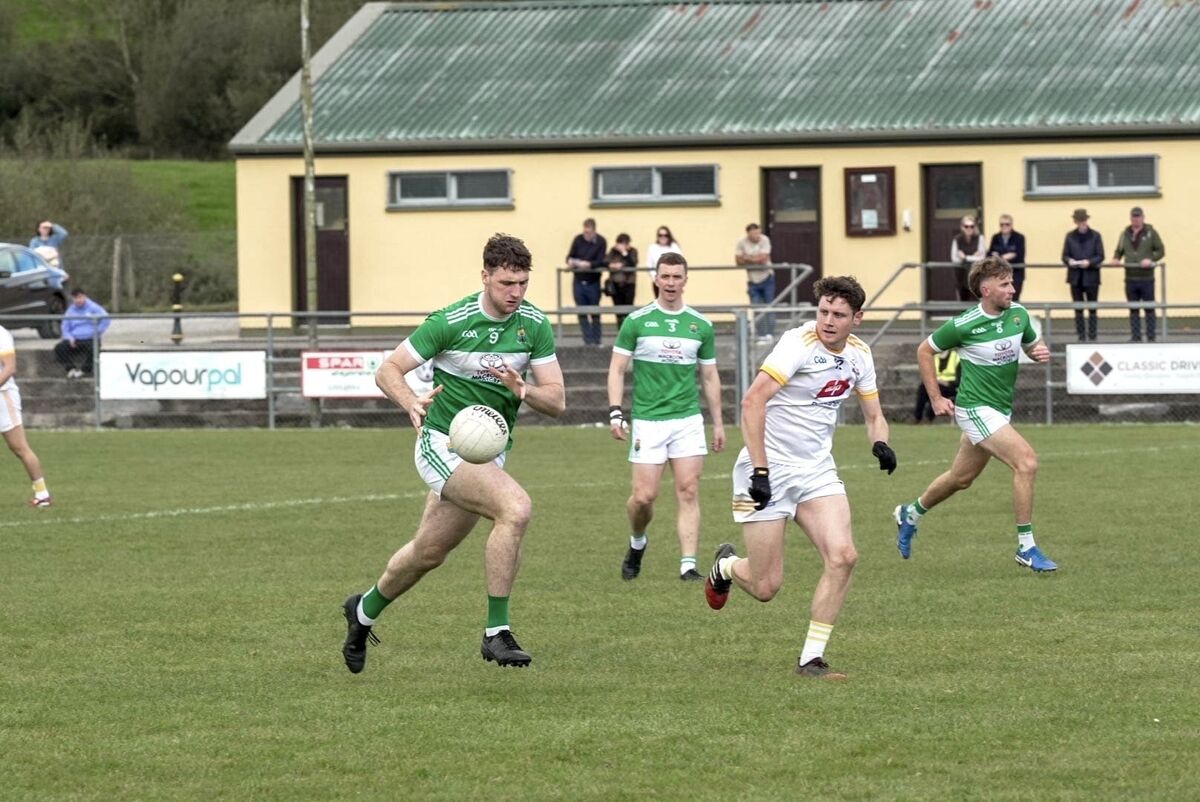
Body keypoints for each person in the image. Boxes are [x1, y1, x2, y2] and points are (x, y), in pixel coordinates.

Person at [341, 233, 566, 673]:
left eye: (523, 283)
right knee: (515, 508)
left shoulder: (534, 325)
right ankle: (496, 632)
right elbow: (388, 369)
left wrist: (523, 390)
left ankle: (362, 612)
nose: (516, 293)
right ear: (485, 276)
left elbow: (557, 401)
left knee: (428, 552)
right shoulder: (451, 321)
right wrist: (410, 401)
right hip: (441, 442)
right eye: (506, 283)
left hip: (487, 455)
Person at [705, 276, 897, 680]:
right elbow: (752, 402)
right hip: (763, 469)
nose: (828, 321)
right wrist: (760, 470)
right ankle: (725, 567)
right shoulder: (798, 343)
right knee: (765, 587)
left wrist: (880, 443)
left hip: (816, 471)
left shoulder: (860, 355)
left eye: (838, 315)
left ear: (857, 318)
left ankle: (811, 659)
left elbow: (874, 415)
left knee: (844, 556)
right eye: (823, 311)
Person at [893, 255, 1056, 573]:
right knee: (1026, 462)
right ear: (985, 290)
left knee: (961, 479)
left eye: (1012, 282)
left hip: (1000, 409)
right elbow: (924, 350)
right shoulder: (963, 325)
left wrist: (1037, 352)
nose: (1012, 289)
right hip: (975, 409)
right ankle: (1026, 547)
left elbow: (1032, 345)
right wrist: (936, 398)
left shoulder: (1019, 314)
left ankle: (909, 514)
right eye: (1005, 284)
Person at [608, 252, 726, 582]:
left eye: (677, 277)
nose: (671, 282)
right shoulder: (637, 322)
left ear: (685, 280)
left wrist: (718, 423)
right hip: (648, 421)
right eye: (666, 276)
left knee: (688, 490)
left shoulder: (700, 325)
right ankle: (638, 541)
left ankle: (688, 565)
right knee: (643, 497)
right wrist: (616, 412)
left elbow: (710, 376)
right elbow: (617, 369)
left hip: (687, 420)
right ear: (656, 278)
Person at [0, 324, 53, 507]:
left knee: (19, 447)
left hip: (3, 396)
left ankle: (42, 494)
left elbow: (9, 368)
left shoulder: (1, 334)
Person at [1111, 207, 1165, 342]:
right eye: (1134, 217)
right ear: (1130, 218)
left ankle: (1151, 337)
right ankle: (1136, 337)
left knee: (1149, 308)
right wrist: (1116, 258)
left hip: (1147, 278)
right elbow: (1119, 250)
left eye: (1138, 216)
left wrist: (1150, 259)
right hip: (1130, 277)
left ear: (1143, 218)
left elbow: (1160, 251)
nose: (1136, 219)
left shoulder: (1151, 233)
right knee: (1133, 308)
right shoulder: (1125, 234)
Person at [1062, 208, 1105, 342]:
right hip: (1075, 277)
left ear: (1086, 220)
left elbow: (1100, 255)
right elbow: (1064, 255)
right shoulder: (1070, 236)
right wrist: (1070, 261)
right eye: (1079, 220)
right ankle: (1081, 335)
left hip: (1091, 277)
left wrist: (1089, 262)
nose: (1081, 223)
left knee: (1092, 308)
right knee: (1078, 308)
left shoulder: (1095, 236)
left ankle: (1092, 335)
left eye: (1083, 220)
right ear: (1075, 221)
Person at [565, 218, 607, 345]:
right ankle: (588, 341)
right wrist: (572, 262)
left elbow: (601, 261)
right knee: (581, 312)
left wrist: (589, 264)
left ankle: (597, 340)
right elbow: (569, 256)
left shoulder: (601, 241)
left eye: (589, 233)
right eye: (585, 232)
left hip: (593, 281)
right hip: (578, 280)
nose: (586, 235)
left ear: (594, 231)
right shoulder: (578, 239)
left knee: (595, 312)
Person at [54, 289, 110, 378]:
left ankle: (84, 370)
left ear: (85, 297)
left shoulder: (93, 307)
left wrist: (97, 331)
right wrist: (69, 337)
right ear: (72, 299)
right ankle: (71, 369)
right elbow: (65, 327)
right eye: (75, 298)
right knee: (59, 348)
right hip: (75, 339)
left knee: (94, 349)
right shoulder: (70, 311)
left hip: (90, 338)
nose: (78, 300)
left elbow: (106, 318)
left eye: (80, 297)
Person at [736, 223, 775, 344]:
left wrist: (747, 258)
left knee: (769, 306)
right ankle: (761, 335)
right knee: (756, 307)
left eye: (758, 233)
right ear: (748, 234)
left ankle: (769, 334)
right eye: (754, 234)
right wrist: (755, 259)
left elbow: (763, 259)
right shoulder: (741, 242)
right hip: (752, 280)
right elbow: (738, 260)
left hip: (767, 277)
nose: (757, 236)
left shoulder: (764, 240)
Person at [912, 349, 960, 424]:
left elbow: (959, 380)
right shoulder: (934, 357)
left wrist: (947, 382)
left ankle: (929, 417)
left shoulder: (956, 357)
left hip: (951, 387)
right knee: (923, 388)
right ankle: (917, 417)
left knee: (936, 390)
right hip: (937, 384)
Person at [988, 215, 1026, 301]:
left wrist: (999, 257)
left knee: (1013, 300)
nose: (1004, 226)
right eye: (1002, 224)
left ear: (1011, 225)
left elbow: (1019, 256)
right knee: (1000, 300)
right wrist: (1006, 256)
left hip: (1016, 274)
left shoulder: (1019, 238)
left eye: (1007, 224)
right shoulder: (995, 237)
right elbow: (990, 254)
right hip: (999, 274)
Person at [604, 233, 638, 329]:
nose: (622, 246)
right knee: (618, 311)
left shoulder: (632, 251)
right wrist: (612, 265)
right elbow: (605, 261)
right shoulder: (613, 251)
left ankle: (629, 331)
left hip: (629, 284)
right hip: (615, 284)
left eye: (624, 243)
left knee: (628, 310)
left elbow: (632, 263)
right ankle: (620, 330)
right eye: (620, 243)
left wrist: (624, 253)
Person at [950, 216, 986, 302]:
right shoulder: (957, 239)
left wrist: (965, 257)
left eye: (972, 226)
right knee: (963, 303)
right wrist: (974, 256)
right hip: (961, 276)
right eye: (966, 226)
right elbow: (954, 259)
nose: (969, 228)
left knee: (978, 303)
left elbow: (982, 258)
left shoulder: (980, 238)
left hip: (977, 277)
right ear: (962, 227)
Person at [645, 226, 682, 298]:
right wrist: (655, 278)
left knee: (672, 301)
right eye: (660, 235)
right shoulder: (652, 248)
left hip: (673, 281)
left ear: (669, 236)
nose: (663, 237)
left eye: (665, 235)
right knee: (659, 301)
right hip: (658, 280)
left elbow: (681, 262)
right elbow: (649, 265)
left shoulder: (674, 247)